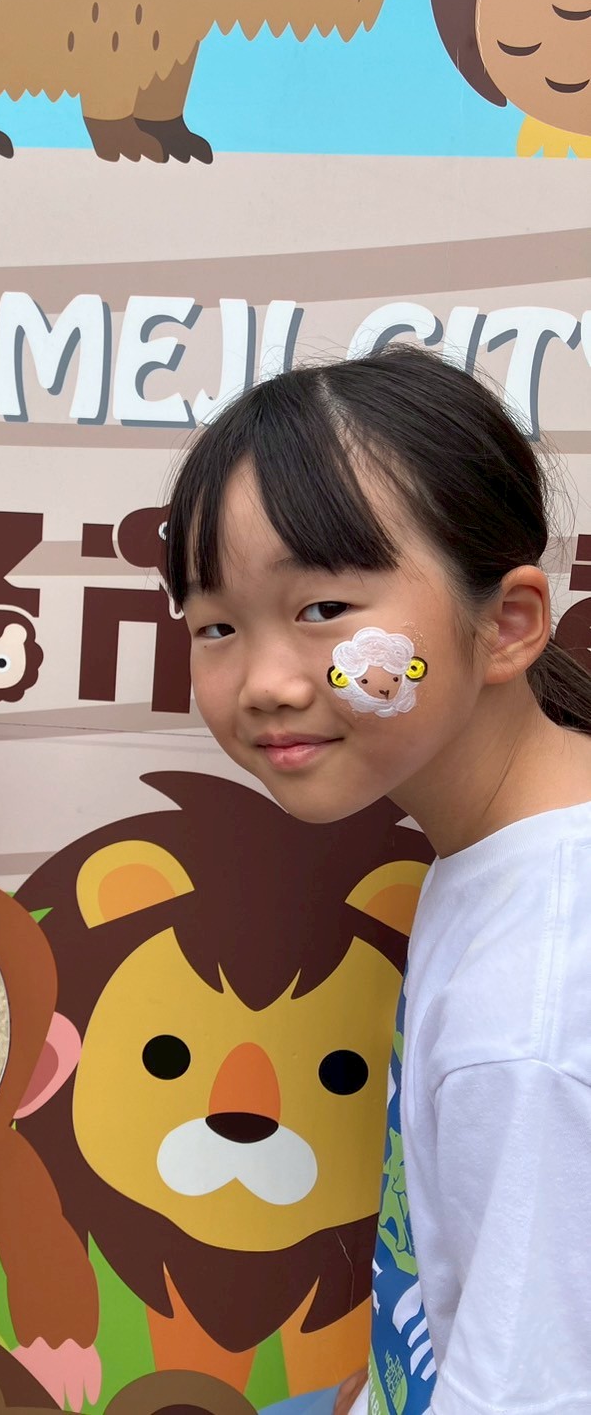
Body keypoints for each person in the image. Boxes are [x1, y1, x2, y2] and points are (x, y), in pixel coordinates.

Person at [165, 346, 591, 1415]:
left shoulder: (534, 1011)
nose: (262, 683)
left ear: (506, 624)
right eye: (217, 626)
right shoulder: (501, 843)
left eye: (321, 610)